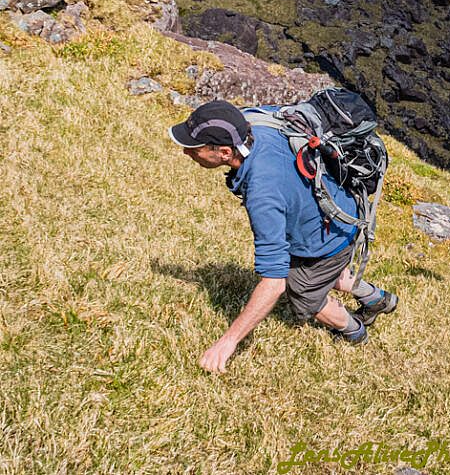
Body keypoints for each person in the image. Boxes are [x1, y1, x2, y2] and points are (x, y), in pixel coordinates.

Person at [169, 99, 398, 373]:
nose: (186, 152)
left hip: (330, 236)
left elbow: (274, 283)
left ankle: (354, 332)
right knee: (322, 273)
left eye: (194, 148)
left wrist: (227, 342)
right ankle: (378, 300)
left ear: (226, 152)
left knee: (304, 293)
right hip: (343, 210)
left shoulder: (263, 192)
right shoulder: (254, 122)